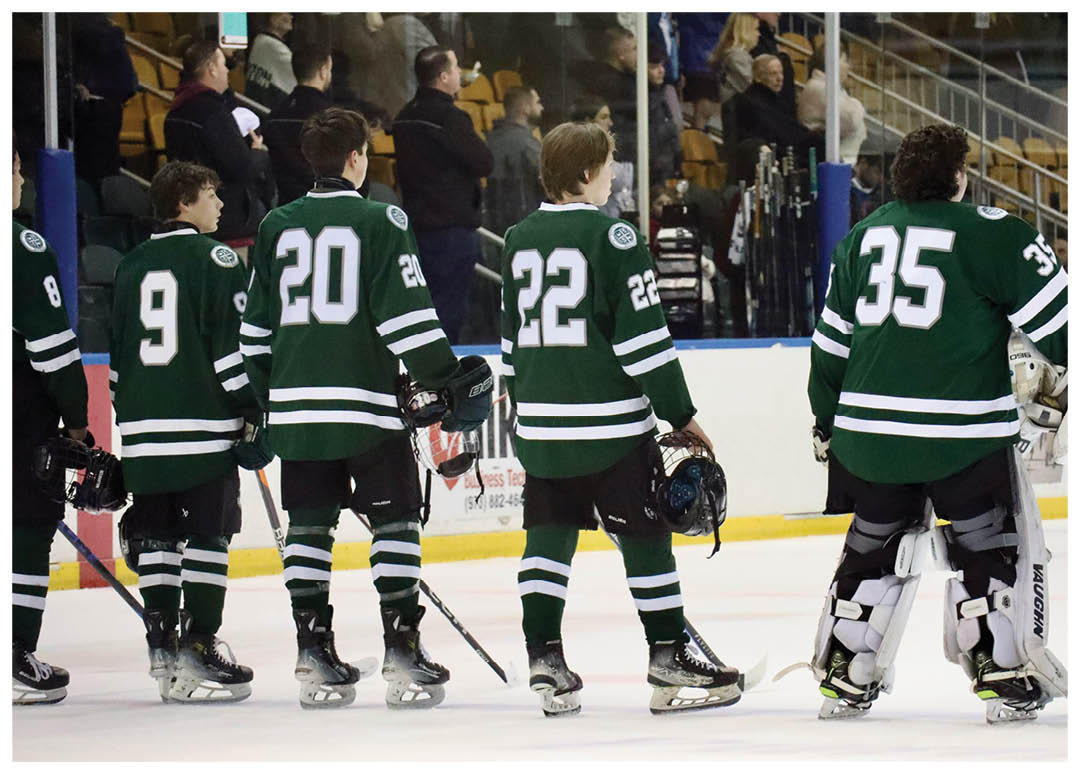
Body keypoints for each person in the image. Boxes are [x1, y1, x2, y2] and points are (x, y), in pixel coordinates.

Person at [807, 124, 1068, 722]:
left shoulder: (861, 238)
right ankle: (1000, 668)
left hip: (867, 434)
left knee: (873, 545)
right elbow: (1062, 328)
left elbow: (829, 350)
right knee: (987, 544)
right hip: (961, 436)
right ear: (957, 175)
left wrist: (826, 422)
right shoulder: (995, 233)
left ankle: (847, 670)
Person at [241, 106, 491, 710]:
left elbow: (254, 337)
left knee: (307, 528)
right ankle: (402, 647)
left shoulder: (276, 225)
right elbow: (407, 318)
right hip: (367, 406)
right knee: (397, 520)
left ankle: (311, 649)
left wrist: (274, 397)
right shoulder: (382, 219)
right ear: (357, 158)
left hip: (297, 411)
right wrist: (447, 377)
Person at [500, 122, 742, 717]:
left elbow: (510, 341)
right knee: (647, 537)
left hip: (540, 426)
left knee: (547, 539)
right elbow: (645, 343)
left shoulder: (518, 237)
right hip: (608, 426)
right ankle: (667, 654)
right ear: (586, 173)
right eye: (609, 165)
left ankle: (544, 657)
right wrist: (681, 415)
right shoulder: (616, 237)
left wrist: (526, 407)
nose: (614, 175)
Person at [110, 161, 266, 703]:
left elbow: (116, 361)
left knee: (154, 535)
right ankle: (199, 646)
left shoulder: (130, 264)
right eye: (210, 194)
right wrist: (254, 407)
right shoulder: (217, 258)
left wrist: (127, 416)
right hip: (202, 425)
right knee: (207, 535)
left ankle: (162, 647)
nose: (220, 205)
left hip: (142, 428)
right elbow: (231, 352)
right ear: (183, 202)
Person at [12, 148, 89, 705]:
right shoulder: (21, 247)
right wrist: (78, 420)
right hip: (17, 420)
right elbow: (54, 352)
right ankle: (15, 652)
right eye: (15, 171)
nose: (21, 182)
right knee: (25, 532)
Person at [393, 46, 494, 344]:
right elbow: (484, 161)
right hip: (450, 229)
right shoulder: (449, 117)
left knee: (425, 307)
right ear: (443, 76)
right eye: (456, 67)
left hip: (418, 226)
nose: (460, 72)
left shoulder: (403, 117)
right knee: (450, 311)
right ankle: (443, 377)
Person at [165, 41, 273, 241]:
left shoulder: (175, 110)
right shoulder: (213, 113)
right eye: (224, 65)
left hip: (189, 214)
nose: (227, 71)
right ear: (212, 69)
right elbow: (242, 167)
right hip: (224, 218)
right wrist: (259, 153)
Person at [262, 44, 335, 205]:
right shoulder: (332, 115)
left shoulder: (276, 115)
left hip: (286, 205)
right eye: (329, 69)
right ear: (323, 71)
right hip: (326, 202)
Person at [485, 85, 544, 236]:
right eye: (537, 102)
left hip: (496, 226)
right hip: (525, 226)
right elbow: (552, 181)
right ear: (525, 108)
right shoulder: (526, 144)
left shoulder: (490, 139)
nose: (542, 107)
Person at [797, 42, 867, 165]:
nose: (848, 66)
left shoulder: (829, 87)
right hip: (833, 163)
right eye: (844, 61)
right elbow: (852, 120)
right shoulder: (820, 88)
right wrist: (857, 104)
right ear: (833, 64)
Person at [568, 95, 634, 218]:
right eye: (603, 117)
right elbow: (620, 180)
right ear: (588, 121)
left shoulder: (604, 146)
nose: (610, 123)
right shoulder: (576, 152)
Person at [723, 54, 803, 154]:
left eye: (781, 73)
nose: (780, 78)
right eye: (773, 74)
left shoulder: (778, 101)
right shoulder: (749, 102)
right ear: (758, 77)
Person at [592, 26, 638, 171]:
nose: (639, 55)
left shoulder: (630, 78)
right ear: (620, 54)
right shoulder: (610, 83)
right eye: (634, 49)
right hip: (623, 155)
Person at [707, 13, 760, 113]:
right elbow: (754, 89)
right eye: (756, 29)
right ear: (745, 31)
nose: (758, 34)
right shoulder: (737, 58)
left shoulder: (733, 54)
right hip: (737, 115)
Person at [646, 42, 682, 185]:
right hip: (653, 170)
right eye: (654, 67)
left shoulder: (663, 94)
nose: (661, 71)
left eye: (662, 65)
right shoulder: (644, 99)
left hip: (667, 167)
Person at [245, 12, 296, 111]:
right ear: (273, 19)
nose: (291, 16)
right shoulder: (272, 46)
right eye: (287, 13)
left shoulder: (260, 40)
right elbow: (302, 74)